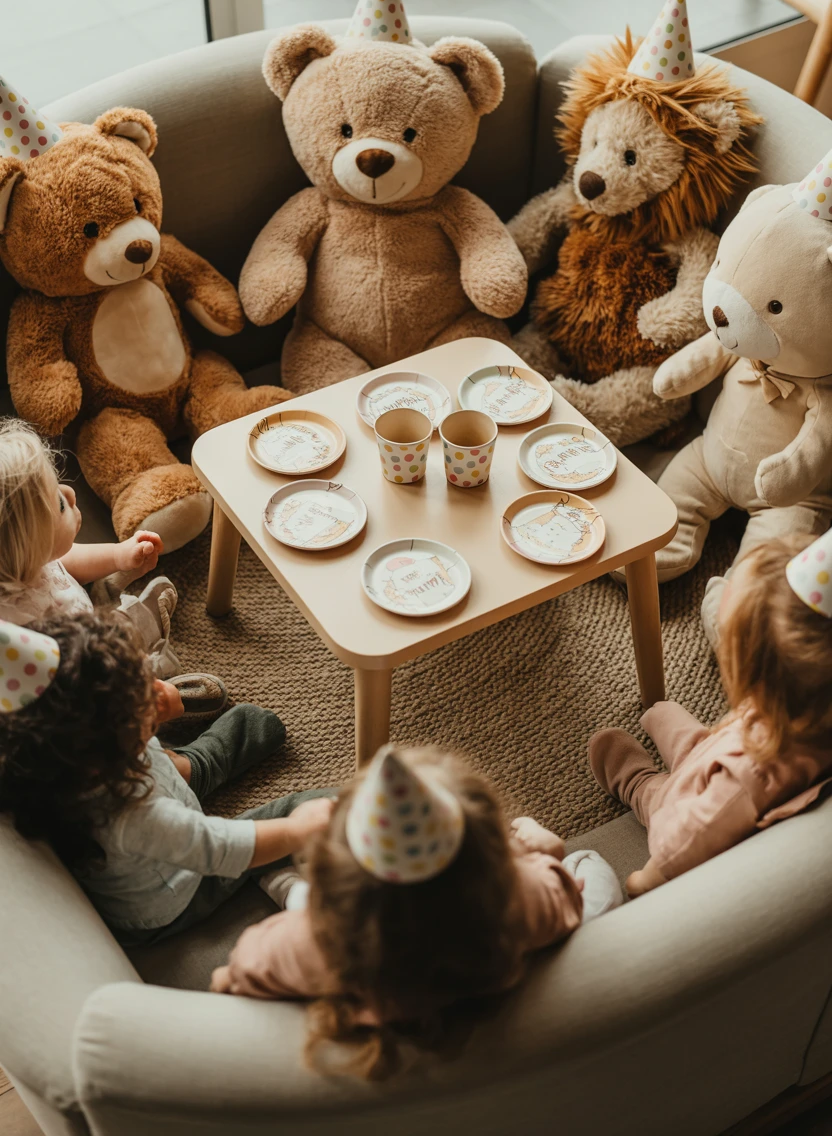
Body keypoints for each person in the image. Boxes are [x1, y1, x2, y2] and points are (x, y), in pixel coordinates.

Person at [211, 743, 622, 1079]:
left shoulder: (313, 945)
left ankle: (290, 890)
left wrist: (233, 979)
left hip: (351, 939)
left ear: (333, 882)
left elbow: (236, 970)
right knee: (586, 863)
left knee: (304, 910)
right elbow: (565, 893)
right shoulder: (526, 900)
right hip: (495, 941)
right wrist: (542, 849)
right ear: (497, 861)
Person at [0, 612, 335, 944]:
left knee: (253, 722)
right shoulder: (132, 817)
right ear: (110, 741)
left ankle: (192, 764)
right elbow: (219, 847)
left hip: (155, 788)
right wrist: (296, 831)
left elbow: (144, 752)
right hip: (182, 887)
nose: (161, 687)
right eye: (146, 692)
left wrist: (153, 719)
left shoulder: (73, 761)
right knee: (311, 808)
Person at [589, 530, 832, 898]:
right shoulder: (807, 703)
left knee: (641, 772)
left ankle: (640, 786)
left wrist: (642, 882)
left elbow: (677, 846)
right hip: (732, 745)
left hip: (699, 787)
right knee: (667, 715)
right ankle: (670, 731)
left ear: (754, 678)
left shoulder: (739, 788)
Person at [0, 417, 222, 710]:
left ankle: (124, 611)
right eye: (60, 503)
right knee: (121, 677)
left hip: (87, 621)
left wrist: (119, 556)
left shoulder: (28, 562)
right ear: (30, 547)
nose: (69, 492)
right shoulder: (24, 635)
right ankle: (151, 673)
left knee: (112, 616)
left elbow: (69, 560)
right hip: (84, 674)